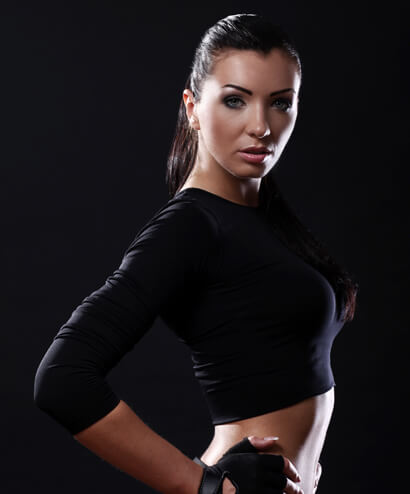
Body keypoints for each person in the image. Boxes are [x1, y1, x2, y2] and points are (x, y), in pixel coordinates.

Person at [33, 13, 358, 494]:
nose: (261, 127)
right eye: (235, 100)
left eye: (280, 103)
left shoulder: (265, 216)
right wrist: (205, 487)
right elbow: (62, 380)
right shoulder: (190, 226)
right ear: (192, 107)